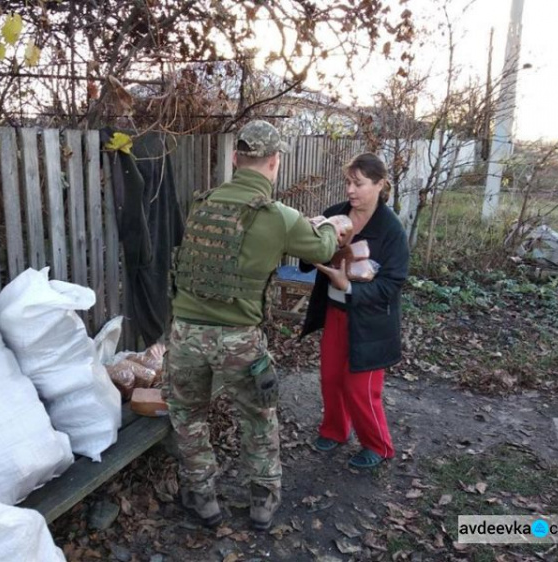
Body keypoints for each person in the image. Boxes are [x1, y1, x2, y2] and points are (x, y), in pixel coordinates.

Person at [165, 120, 351, 531]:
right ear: (275, 163)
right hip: (238, 342)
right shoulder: (279, 217)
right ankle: (262, 502)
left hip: (185, 335)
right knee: (258, 418)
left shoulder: (203, 203)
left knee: (188, 416)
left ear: (235, 159)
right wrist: (329, 225)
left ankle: (202, 498)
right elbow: (321, 248)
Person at [300, 152, 409, 469]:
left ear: (379, 185)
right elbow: (309, 261)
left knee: (360, 388)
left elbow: (392, 285)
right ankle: (334, 431)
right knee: (331, 377)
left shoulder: (391, 231)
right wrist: (310, 237)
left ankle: (378, 445)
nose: (350, 190)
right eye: (348, 182)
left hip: (373, 323)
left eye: (358, 184)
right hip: (335, 312)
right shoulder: (335, 215)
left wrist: (348, 285)